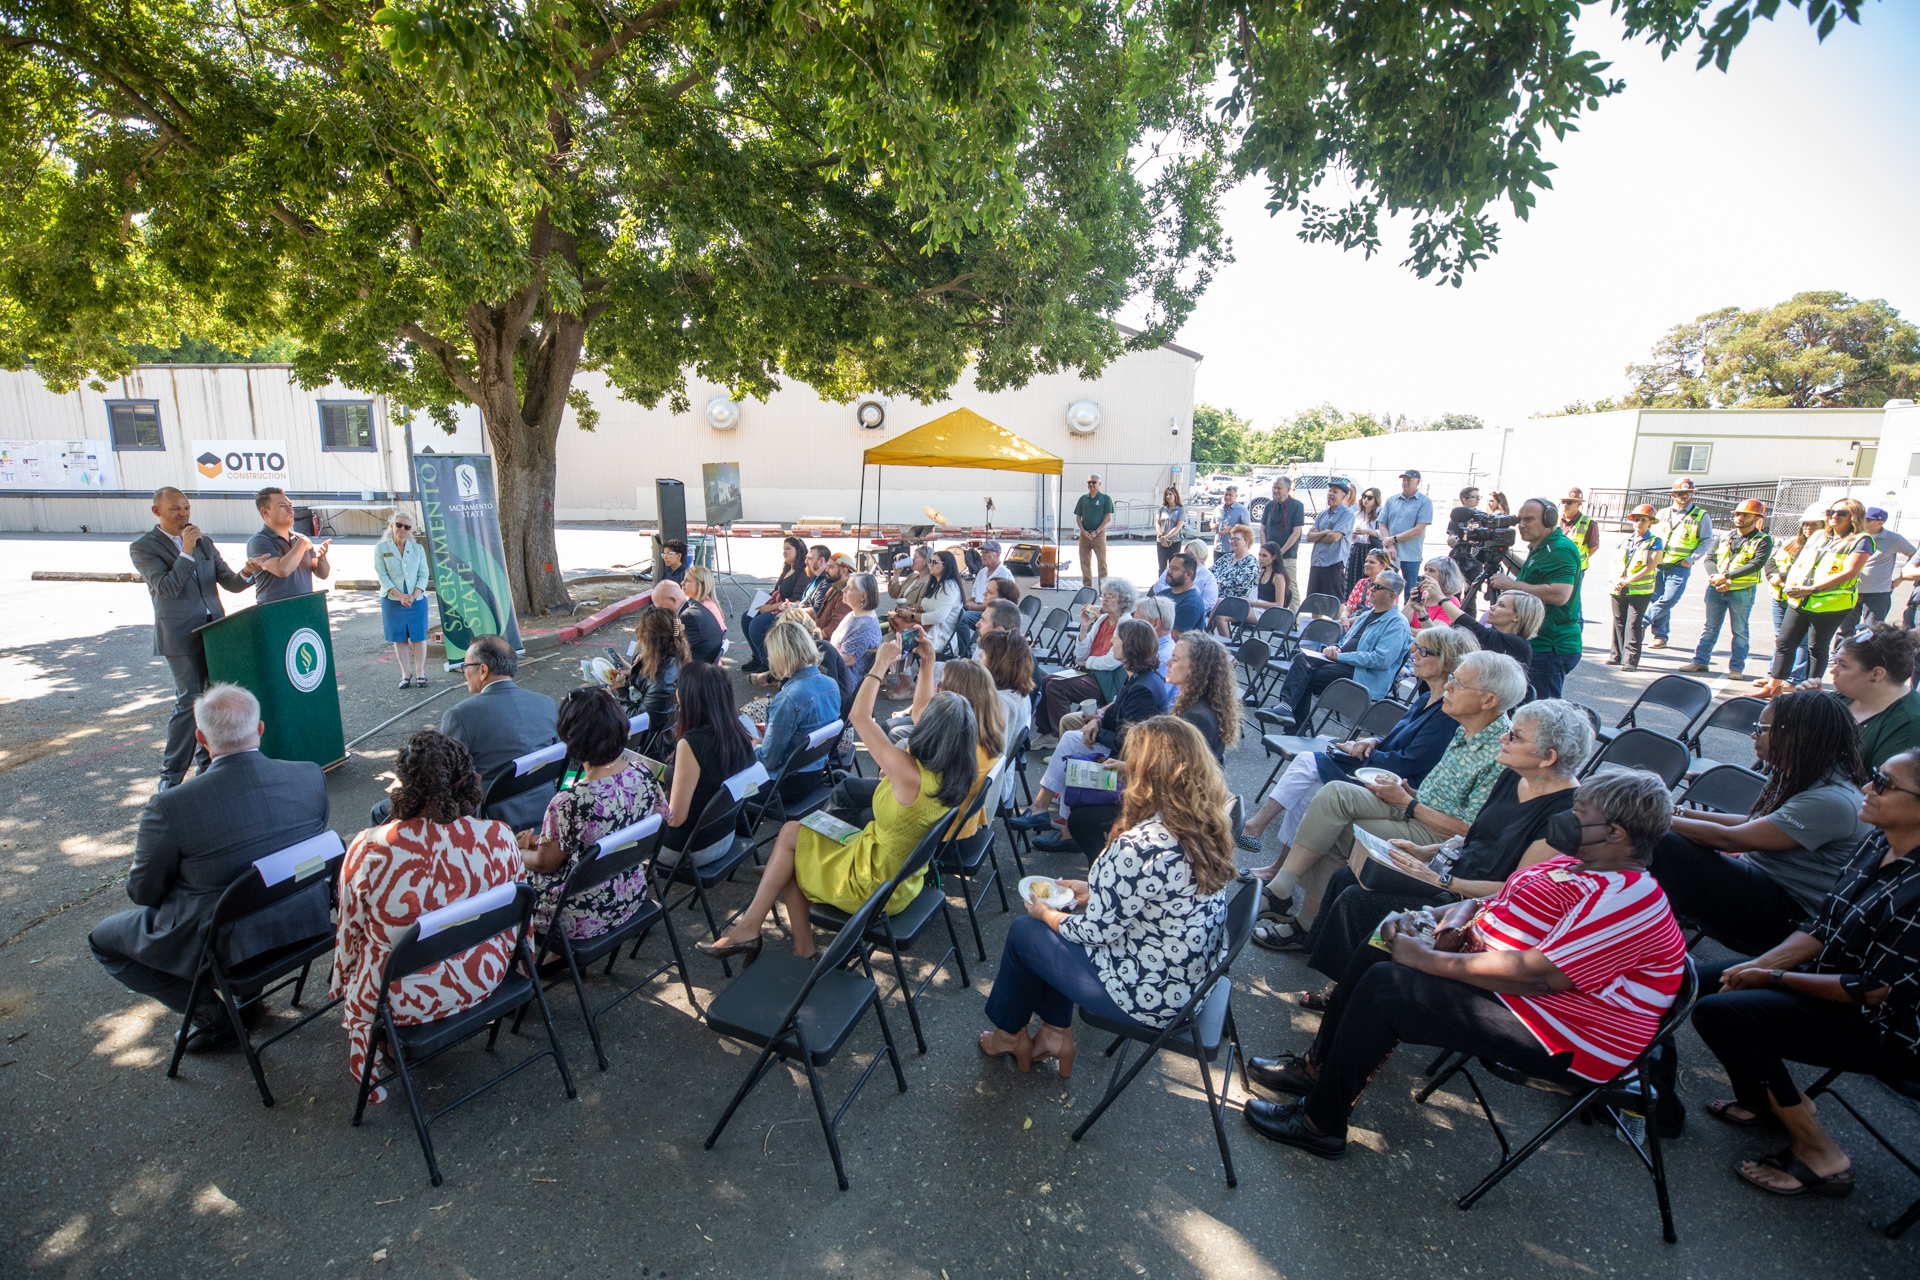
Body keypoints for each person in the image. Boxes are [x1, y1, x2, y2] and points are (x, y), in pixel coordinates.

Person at [1243, 770, 1686, 1160]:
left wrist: (1428, 959)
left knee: (1388, 986)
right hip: (1520, 996)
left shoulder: (1628, 899)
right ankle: (1316, 1069)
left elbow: (1540, 975)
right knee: (1384, 939)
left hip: (1563, 1035)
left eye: (1579, 815)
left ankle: (1321, 1125)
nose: (1567, 821)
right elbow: (1495, 900)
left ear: (1616, 834)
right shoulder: (1579, 865)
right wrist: (1435, 918)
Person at [1687, 748, 1920, 1199]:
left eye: (1885, 784)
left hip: (1892, 1028)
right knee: (1698, 982)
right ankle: (1766, 1099)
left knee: (1725, 1013)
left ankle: (1820, 1154)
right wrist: (1759, 965)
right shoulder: (1882, 839)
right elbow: (1825, 924)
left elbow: (1871, 991)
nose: (1868, 789)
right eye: (1874, 776)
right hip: (1835, 981)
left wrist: (1772, 979)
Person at [979, 716, 1236, 1076]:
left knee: (1028, 932)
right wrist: (1094, 892)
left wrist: (1046, 914)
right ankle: (1054, 1033)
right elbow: (1153, 900)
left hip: (1149, 995)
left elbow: (1096, 933)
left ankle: (1009, 1035)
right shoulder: (1206, 824)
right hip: (1189, 981)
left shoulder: (1140, 845)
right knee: (1058, 923)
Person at [89, 685, 332, 1050]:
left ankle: (216, 1020)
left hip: (227, 947)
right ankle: (245, 999)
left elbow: (143, 893)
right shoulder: (310, 775)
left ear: (200, 739)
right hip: (304, 922)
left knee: (103, 940)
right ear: (260, 729)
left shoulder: (171, 806)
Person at [1297, 699, 1594, 993]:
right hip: (1452, 876)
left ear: (1548, 757)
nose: (1504, 736)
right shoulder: (1515, 774)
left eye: (1515, 736)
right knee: (1348, 876)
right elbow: (1482, 835)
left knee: (1360, 900)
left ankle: (1354, 992)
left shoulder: (1563, 815)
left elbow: (1513, 892)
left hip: (1475, 906)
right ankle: (1344, 983)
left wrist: (1438, 878)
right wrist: (1425, 852)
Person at [697, 664, 977, 964]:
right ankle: (775, 936)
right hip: (899, 876)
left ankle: (764, 932)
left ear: (930, 731)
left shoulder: (910, 775)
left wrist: (880, 664)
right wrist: (929, 657)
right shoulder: (954, 774)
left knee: (789, 852)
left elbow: (857, 717)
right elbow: (922, 710)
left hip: (872, 882)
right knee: (792, 834)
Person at [1252, 650, 1526, 947]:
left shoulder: (1499, 754)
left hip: (1436, 838)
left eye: (1459, 683)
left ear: (1488, 701)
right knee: (1333, 794)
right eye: (1451, 679)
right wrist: (1411, 795)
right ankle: (1281, 890)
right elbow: (1442, 797)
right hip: (1415, 809)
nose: (1448, 687)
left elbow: (1468, 832)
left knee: (1341, 828)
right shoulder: (1467, 727)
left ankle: (1302, 921)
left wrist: (1408, 803)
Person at [332, 729, 523, 1099]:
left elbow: (349, 935)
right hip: (485, 974)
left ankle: (384, 1045)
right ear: (465, 780)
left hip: (400, 1001)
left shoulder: (370, 850)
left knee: (364, 955)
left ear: (402, 783)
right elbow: (518, 923)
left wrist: (342, 983)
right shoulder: (500, 838)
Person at [1238, 626, 1481, 861]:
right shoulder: (1428, 698)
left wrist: (1360, 752)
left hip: (1395, 784)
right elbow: (1399, 738)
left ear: (1446, 661)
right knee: (1310, 791)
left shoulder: (1447, 714)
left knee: (1308, 764)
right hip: (1379, 768)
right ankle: (1276, 864)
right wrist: (1374, 740)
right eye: (1415, 648)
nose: (1413, 655)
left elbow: (1410, 762)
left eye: (1423, 651)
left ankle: (1256, 829)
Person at [1654, 691, 1869, 957]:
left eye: (1762, 729)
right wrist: (1673, 811)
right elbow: (1752, 823)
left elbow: (1731, 839)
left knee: (1662, 841)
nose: (1754, 735)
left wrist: (1655, 818)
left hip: (1789, 915)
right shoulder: (1804, 774)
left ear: (1798, 734)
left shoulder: (1831, 800)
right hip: (1764, 886)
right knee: (1663, 834)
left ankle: (1646, 935)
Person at [128, 486, 264, 788]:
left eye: (187, 508)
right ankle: (171, 776)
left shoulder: (204, 541)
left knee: (213, 700)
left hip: (214, 631)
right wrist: (186, 551)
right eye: (176, 509)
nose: (184, 514)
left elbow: (228, 582)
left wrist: (246, 572)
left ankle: (209, 767)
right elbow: (167, 588)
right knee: (189, 702)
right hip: (179, 635)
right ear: (157, 512)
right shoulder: (144, 547)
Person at [1062, 635, 1243, 860]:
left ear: (1196, 669)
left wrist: (1128, 769)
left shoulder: (1197, 718)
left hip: (1173, 810)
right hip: (1170, 796)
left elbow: (1175, 777)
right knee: (1083, 790)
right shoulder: (1195, 705)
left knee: (1081, 819)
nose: (1168, 662)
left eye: (1175, 659)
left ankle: (1108, 871)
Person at [517, 688, 667, 940]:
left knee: (502, 876)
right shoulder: (643, 774)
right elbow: (663, 819)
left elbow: (546, 863)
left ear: (571, 738)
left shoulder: (569, 801)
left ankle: (538, 957)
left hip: (579, 914)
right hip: (629, 893)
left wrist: (516, 851)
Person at [1010, 620, 1169, 851]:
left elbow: (1127, 741)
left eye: (1117, 638)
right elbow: (1115, 711)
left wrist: (1097, 730)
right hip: (1123, 749)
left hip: (1131, 762)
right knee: (1071, 742)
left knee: (1072, 747)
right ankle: (1051, 816)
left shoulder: (1143, 688)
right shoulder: (1138, 676)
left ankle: (1050, 816)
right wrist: (1098, 721)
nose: (1113, 641)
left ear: (1130, 647)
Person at [376, 634, 558, 830]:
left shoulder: (459, 715)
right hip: (545, 809)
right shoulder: (547, 703)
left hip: (490, 819)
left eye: (466, 666)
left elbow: (443, 776)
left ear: (482, 670)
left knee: (381, 810)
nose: (464, 673)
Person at [1266, 572, 1413, 735]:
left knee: (1304, 677)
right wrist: (1335, 647)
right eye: (1372, 584)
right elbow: (1346, 642)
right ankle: (1289, 713)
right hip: (1342, 663)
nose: (1371, 588)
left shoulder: (1397, 623)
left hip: (1363, 675)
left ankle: (1293, 723)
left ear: (1392, 595)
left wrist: (1340, 656)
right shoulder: (1366, 615)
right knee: (1301, 658)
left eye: (1378, 587)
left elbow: (1381, 660)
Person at [1756, 497, 1873, 697]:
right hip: (1800, 598)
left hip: (1830, 603)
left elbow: (1850, 572)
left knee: (1816, 648)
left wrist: (1812, 589)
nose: (1833, 516)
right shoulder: (1819, 535)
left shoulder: (1861, 540)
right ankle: (1773, 688)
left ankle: (1812, 693)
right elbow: (1803, 563)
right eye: (1830, 512)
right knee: (1785, 642)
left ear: (1854, 517)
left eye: (1841, 513)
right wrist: (1789, 583)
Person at [660, 661, 758, 868]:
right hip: (723, 835)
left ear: (691, 698)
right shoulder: (739, 731)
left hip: (687, 849)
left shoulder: (692, 744)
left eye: (680, 686)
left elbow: (675, 818)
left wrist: (641, 807)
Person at [1486, 497, 1583, 700]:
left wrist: (1511, 585)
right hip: (1540, 642)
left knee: (1539, 713)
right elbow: (1531, 574)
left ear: (1549, 520)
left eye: (1529, 519)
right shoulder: (1542, 546)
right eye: (1520, 519)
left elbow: (1560, 594)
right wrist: (1501, 553)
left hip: (1551, 645)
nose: (1522, 525)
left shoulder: (1559, 549)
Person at [747, 620, 842, 803]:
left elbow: (768, 761)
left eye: (771, 654)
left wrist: (748, 749)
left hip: (784, 785)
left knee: (726, 776)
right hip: (814, 774)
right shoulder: (831, 685)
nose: (768, 659)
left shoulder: (788, 699)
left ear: (783, 656)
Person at [1680, 498, 1773, 678]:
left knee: (1739, 630)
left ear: (1756, 518)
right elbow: (1709, 559)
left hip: (1741, 591)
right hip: (1716, 588)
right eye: (1738, 514)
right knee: (1710, 627)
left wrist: (1726, 577)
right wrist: (1716, 578)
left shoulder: (1763, 540)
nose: (1739, 518)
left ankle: (1736, 668)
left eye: (1745, 515)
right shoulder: (1724, 536)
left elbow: (1756, 564)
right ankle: (1700, 661)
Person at [1037, 579, 1136, 737]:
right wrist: (1084, 626)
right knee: (1046, 680)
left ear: (1123, 601)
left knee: (1057, 687)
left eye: (1111, 596)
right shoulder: (1102, 619)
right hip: (1090, 672)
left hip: (1107, 680)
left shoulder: (1126, 623)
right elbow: (1081, 654)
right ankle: (1047, 733)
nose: (1104, 599)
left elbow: (1111, 662)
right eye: (1104, 595)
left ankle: (1063, 737)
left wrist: (1087, 662)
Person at [1830, 624, 1920, 768]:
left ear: (1876, 674)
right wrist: (1807, 707)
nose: (1833, 671)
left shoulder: (1909, 724)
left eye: (1843, 666)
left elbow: (1881, 788)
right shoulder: (1845, 697)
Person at [1419, 569, 1540, 668]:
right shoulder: (1495, 636)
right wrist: (1421, 612)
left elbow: (1477, 630)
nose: (1492, 607)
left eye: (1501, 605)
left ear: (1517, 616)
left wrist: (1441, 598)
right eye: (1497, 603)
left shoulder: (1518, 644)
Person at [1645, 478, 1714, 650]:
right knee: (1657, 599)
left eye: (1688, 493)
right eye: (1680, 493)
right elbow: (1651, 537)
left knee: (1669, 599)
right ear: (1673, 494)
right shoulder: (1661, 514)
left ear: (1692, 494)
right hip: (1659, 563)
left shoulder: (1701, 515)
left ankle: (1642, 622)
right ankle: (1660, 636)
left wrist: (1691, 559)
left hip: (1679, 565)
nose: (1684, 496)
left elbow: (1706, 541)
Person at [1761, 511, 1822, 687]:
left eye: (1814, 524)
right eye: (1805, 524)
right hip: (1779, 595)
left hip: (1799, 598)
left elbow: (1809, 570)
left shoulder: (1824, 547)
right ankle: (1775, 674)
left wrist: (1782, 576)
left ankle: (1795, 677)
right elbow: (1771, 561)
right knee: (1780, 638)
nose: (1808, 528)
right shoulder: (1792, 542)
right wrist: (1774, 575)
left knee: (1801, 640)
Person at [374, 509, 433, 689]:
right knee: (399, 638)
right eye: (399, 525)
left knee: (419, 637)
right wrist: (399, 596)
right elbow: (382, 575)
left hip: (416, 599)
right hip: (392, 600)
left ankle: (420, 672)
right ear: (391, 526)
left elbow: (424, 574)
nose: (403, 529)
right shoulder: (381, 548)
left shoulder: (418, 549)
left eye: (407, 527)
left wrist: (414, 596)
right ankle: (405, 674)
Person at [980, 629, 1036, 813]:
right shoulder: (1017, 694)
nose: (980, 655)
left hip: (985, 787)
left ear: (997, 663)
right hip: (999, 777)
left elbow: (984, 751)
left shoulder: (1000, 703)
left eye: (985, 653)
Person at [246, 486, 332, 603]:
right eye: (282, 506)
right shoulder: (258, 542)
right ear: (265, 512)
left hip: (304, 608)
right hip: (275, 612)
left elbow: (322, 574)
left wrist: (322, 558)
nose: (290, 510)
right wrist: (302, 543)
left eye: (290, 506)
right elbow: (282, 570)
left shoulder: (299, 538)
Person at [1605, 503, 1663, 670]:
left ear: (1650, 522)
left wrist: (1628, 580)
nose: (1638, 523)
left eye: (1643, 520)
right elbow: (1615, 561)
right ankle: (1616, 655)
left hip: (1639, 589)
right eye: (1636, 519)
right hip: (1618, 587)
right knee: (1618, 621)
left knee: (1633, 623)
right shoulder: (1625, 540)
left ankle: (1630, 659)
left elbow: (1650, 565)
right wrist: (1617, 578)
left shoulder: (1654, 541)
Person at [743, 535, 809, 674]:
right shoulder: (787, 568)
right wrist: (763, 601)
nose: (784, 552)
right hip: (774, 605)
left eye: (788, 549)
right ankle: (757, 658)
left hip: (785, 611)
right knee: (746, 617)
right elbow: (776, 590)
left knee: (757, 625)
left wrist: (769, 607)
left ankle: (769, 665)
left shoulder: (802, 573)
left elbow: (795, 600)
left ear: (798, 551)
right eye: (783, 549)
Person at [611, 605, 688, 719]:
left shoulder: (662, 679)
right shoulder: (674, 655)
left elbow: (639, 719)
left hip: (641, 733)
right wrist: (634, 672)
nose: (640, 643)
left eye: (641, 638)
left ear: (651, 640)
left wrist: (618, 690)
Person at [1852, 507, 1915, 628]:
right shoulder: (1855, 536)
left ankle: (1870, 648)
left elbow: (1914, 556)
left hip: (1878, 593)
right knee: (1845, 631)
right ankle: (1842, 648)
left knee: (1872, 631)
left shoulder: (1893, 539)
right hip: (1851, 590)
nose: (1861, 521)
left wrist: (1901, 578)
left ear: (1879, 523)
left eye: (1866, 519)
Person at [1380, 470, 1434, 600]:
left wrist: (1393, 539)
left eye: (1409, 480)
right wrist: (1388, 544)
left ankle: (1409, 619)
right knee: (1385, 589)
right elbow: (1382, 525)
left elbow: (1418, 529)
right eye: (1404, 480)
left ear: (1418, 482)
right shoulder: (1391, 500)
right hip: (1390, 554)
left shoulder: (1425, 502)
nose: (1405, 483)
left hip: (1410, 555)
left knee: (1411, 593)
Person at [1300, 477, 1356, 601]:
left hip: (1333, 563)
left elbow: (1334, 537)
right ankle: (1315, 621)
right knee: (1314, 601)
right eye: (1330, 491)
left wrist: (1318, 535)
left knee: (1335, 602)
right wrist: (1325, 532)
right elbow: (1309, 537)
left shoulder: (1347, 514)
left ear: (1344, 496)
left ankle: (1336, 622)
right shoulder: (1323, 514)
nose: (1330, 494)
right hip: (1317, 562)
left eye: (1335, 492)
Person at [956, 540, 1014, 657]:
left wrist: (977, 607)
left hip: (994, 611)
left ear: (997, 554)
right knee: (952, 612)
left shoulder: (1005, 575)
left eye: (987, 552)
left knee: (963, 619)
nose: (983, 555)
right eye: (982, 552)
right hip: (978, 607)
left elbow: (1003, 604)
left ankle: (965, 655)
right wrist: (964, 602)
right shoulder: (982, 572)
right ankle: (950, 647)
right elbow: (974, 595)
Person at [830, 571, 884, 685]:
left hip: (844, 683)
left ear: (863, 596)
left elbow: (845, 660)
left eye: (849, 588)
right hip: (835, 673)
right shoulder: (854, 614)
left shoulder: (864, 625)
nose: (843, 590)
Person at [655, 578, 724, 666]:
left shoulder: (688, 617)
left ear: (673, 600)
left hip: (697, 671)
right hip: (705, 664)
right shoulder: (693, 607)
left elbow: (674, 651)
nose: (661, 613)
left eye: (662, 608)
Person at [1261, 476, 1306, 606]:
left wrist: (1279, 553)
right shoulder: (1270, 505)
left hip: (1287, 556)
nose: (1275, 491)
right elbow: (1262, 529)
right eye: (1274, 488)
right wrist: (1264, 549)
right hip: (1269, 556)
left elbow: (1296, 533)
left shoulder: (1297, 506)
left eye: (1279, 488)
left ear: (1288, 489)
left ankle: (1294, 622)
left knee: (1290, 587)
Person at [915, 548, 966, 658]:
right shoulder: (936, 584)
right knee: (893, 639)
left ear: (946, 566)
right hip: (928, 630)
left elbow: (938, 617)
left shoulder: (950, 587)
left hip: (940, 637)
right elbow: (926, 607)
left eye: (935, 562)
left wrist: (913, 615)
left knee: (896, 645)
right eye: (930, 561)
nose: (931, 565)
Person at [1212, 525, 1259, 632]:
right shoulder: (1226, 558)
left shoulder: (1250, 562)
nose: (1232, 541)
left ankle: (1207, 633)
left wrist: (1220, 584)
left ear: (1246, 542)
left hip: (1237, 602)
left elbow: (1240, 584)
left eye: (1236, 539)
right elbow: (1210, 573)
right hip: (1216, 594)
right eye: (1231, 538)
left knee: (1216, 603)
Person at [1074, 472, 1115, 590]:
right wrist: (1083, 531)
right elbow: (1078, 517)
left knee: (1102, 562)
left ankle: (1104, 590)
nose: (1091, 484)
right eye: (1089, 482)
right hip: (1085, 534)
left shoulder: (1105, 498)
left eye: (1094, 482)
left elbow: (1108, 517)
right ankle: (1087, 588)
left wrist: (1097, 531)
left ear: (1099, 484)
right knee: (1084, 562)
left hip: (1099, 534)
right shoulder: (1083, 499)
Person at [1153, 553, 1207, 638]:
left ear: (1189, 574)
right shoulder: (1164, 594)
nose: (1169, 571)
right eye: (1169, 567)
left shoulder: (1192, 603)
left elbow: (1172, 638)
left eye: (1175, 569)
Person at [1403, 556, 1464, 630]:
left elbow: (1434, 634)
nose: (1425, 574)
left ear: (1445, 576)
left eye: (1431, 571)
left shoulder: (1451, 603)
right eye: (1426, 570)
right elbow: (1400, 623)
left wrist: (1409, 630)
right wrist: (1411, 601)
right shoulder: (1424, 595)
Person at [808, 551, 855, 639]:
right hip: (819, 636)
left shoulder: (846, 594)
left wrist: (809, 636)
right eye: (827, 566)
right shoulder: (833, 588)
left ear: (843, 571)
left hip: (827, 643)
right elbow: (821, 618)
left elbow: (833, 629)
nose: (826, 570)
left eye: (831, 567)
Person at [1346, 486, 1384, 588]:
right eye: (1364, 496)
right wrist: (1353, 534)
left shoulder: (1380, 514)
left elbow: (1382, 533)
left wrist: (1366, 531)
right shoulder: (1356, 514)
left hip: (1370, 548)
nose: (1365, 499)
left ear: (1376, 500)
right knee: (1352, 578)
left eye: (1369, 497)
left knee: (1369, 576)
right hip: (1356, 547)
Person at [1339, 549, 1392, 622]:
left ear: (1383, 566)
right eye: (1366, 561)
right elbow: (1348, 609)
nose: (1366, 565)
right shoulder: (1361, 583)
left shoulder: (1388, 587)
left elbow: (1376, 616)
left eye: (1372, 562)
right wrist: (1344, 617)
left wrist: (1348, 621)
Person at [1558, 487, 1601, 573]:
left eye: (1569, 502)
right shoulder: (1555, 520)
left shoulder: (1589, 524)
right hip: (1556, 566)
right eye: (1563, 501)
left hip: (1575, 569)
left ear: (1579, 504)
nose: (1565, 504)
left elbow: (1594, 547)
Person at [683, 564, 729, 637]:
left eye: (687, 580)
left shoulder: (701, 610)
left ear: (702, 585)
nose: (682, 583)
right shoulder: (708, 603)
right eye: (683, 579)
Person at [1155, 485, 1187, 573]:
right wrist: (1161, 537)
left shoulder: (1180, 509)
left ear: (1175, 495)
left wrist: (1167, 537)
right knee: (1162, 567)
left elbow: (1178, 526)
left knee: (1172, 566)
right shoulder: (1162, 508)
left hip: (1174, 542)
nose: (1168, 496)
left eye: (1170, 494)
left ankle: (1172, 586)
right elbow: (1158, 523)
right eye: (1166, 494)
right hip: (1161, 542)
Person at [1215, 485, 1250, 563]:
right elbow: (1211, 523)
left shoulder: (1242, 510)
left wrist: (1230, 529)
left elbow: (1247, 528)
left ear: (1236, 496)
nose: (1227, 497)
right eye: (1226, 494)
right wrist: (1215, 526)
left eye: (1230, 495)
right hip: (1218, 546)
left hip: (1233, 548)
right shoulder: (1218, 509)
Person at [1253, 541, 1287, 609]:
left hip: (1269, 612)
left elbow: (1279, 604)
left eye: (1264, 556)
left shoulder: (1278, 577)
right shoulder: (1261, 573)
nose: (1261, 558)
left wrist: (1254, 603)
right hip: (1257, 607)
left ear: (1274, 557)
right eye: (1260, 555)